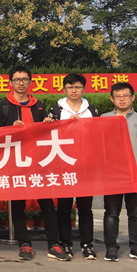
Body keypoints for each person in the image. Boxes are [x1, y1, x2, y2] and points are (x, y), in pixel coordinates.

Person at [0, 66, 68, 261]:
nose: (21, 82)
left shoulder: (38, 106)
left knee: (47, 205)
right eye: (17, 79)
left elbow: (45, 134)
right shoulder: (2, 107)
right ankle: (24, 243)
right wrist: (10, 128)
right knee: (18, 205)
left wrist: (48, 124)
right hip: (15, 163)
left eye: (24, 79)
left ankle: (54, 244)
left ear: (30, 82)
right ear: (10, 82)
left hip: (39, 162)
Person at [48, 73, 100, 260]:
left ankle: (87, 244)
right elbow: (48, 133)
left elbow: (99, 133)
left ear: (83, 88)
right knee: (64, 206)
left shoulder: (91, 109)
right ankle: (65, 243)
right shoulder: (56, 109)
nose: (74, 90)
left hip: (86, 164)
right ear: (64, 89)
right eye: (70, 87)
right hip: (64, 164)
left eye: (77, 87)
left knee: (85, 207)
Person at [101, 82, 137, 262]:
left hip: (135, 174)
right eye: (118, 96)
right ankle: (111, 247)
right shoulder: (104, 119)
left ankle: (136, 247)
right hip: (112, 175)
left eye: (125, 96)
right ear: (112, 99)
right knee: (111, 213)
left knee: (136, 214)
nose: (122, 99)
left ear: (132, 97)